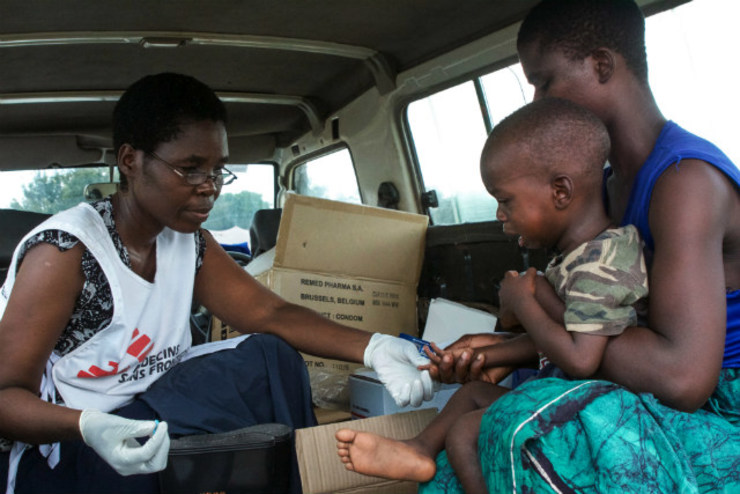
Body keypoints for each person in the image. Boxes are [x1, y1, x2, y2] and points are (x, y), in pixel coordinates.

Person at [0, 72, 435, 494]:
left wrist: (373, 346)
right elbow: (5, 397)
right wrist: (88, 426)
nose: (210, 188)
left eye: (218, 170)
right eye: (190, 169)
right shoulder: (65, 254)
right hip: (75, 449)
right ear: (131, 161)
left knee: (271, 357)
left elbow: (270, 313)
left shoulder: (188, 242)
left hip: (152, 419)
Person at [422, 1, 740, 493]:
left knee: (514, 436)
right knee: (459, 451)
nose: (535, 102)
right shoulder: (609, 187)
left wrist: (535, 313)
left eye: (544, 82)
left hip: (721, 409)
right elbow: (605, 317)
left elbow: (682, 380)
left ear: (601, 65)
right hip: (641, 384)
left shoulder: (685, 182)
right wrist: (509, 350)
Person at [335, 97, 649, 494]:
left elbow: (582, 359)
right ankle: (418, 448)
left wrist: (524, 302)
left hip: (607, 401)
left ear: (560, 192)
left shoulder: (602, 261)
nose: (500, 214)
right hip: (567, 389)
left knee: (467, 432)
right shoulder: (570, 259)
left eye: (505, 200)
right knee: (470, 394)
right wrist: (482, 352)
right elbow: (550, 335)